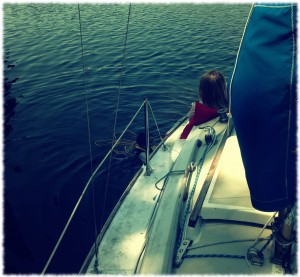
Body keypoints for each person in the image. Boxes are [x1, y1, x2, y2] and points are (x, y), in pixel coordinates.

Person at [180, 70, 228, 139]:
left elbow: (190, 119)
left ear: (202, 90)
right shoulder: (226, 106)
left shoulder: (197, 107)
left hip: (187, 136)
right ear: (223, 89)